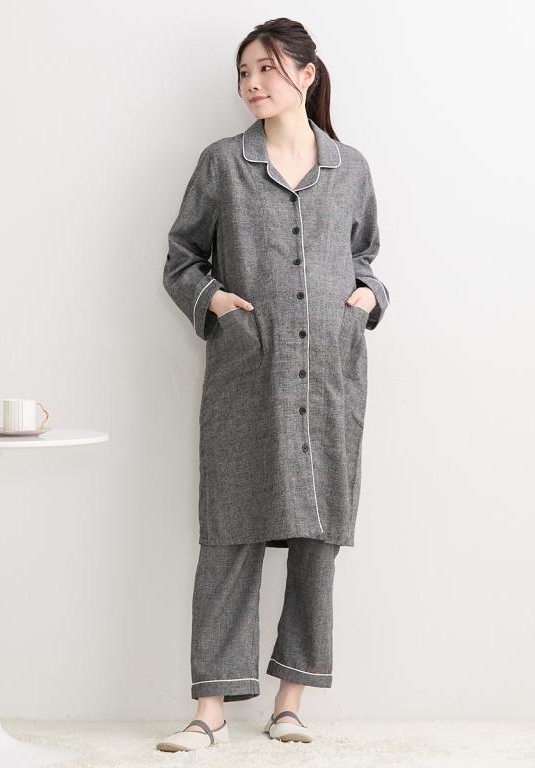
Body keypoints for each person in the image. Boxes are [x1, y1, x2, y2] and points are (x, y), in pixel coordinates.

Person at [157, 17, 389, 752]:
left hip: (328, 379)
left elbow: (366, 256)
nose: (252, 84)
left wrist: (369, 299)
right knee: (230, 530)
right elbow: (182, 258)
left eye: (266, 69)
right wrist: (216, 303)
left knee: (318, 536)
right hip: (247, 376)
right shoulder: (223, 164)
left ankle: (290, 702)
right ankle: (209, 711)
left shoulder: (350, 168)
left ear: (306, 75)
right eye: (244, 72)